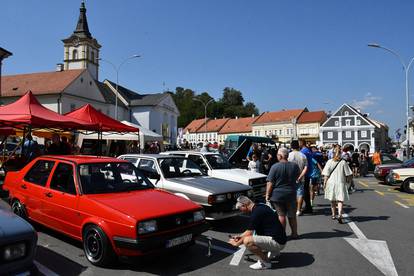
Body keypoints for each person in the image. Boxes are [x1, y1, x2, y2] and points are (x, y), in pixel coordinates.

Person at [228, 196, 287, 270]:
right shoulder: (260, 206)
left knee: (247, 241)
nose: (241, 211)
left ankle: (266, 263)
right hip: (280, 238)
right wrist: (239, 236)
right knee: (255, 234)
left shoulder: (256, 213)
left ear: (244, 205)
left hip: (278, 242)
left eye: (240, 209)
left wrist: (236, 243)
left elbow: (249, 233)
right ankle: (275, 251)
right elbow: (249, 231)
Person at [267, 147, 300, 239]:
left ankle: (282, 235)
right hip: (291, 194)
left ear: (280, 156)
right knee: (292, 215)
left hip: (277, 195)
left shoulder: (275, 167)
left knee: (281, 215)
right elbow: (297, 177)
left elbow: (270, 183)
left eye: (277, 154)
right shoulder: (294, 166)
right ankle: (294, 234)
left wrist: (267, 195)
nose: (277, 156)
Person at [322, 147, 353, 224]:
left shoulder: (329, 162)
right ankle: (339, 214)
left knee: (333, 199)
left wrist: (324, 183)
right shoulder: (343, 162)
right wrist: (349, 181)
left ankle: (333, 214)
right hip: (340, 182)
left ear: (332, 153)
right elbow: (348, 174)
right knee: (340, 200)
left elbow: (326, 174)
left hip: (331, 182)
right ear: (340, 153)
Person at [288, 140, 308, 216]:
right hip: (301, 178)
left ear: (291, 146)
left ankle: (292, 208)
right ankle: (298, 210)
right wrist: (300, 176)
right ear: (298, 146)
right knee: (299, 194)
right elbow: (305, 168)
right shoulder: (303, 155)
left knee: (291, 193)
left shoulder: (289, 155)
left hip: (290, 178)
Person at [299, 139, 313, 214]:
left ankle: (308, 207)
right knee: (306, 190)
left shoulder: (303, 152)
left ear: (301, 143)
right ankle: (308, 207)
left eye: (299, 143)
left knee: (304, 190)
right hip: (308, 172)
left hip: (305, 173)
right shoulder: (308, 150)